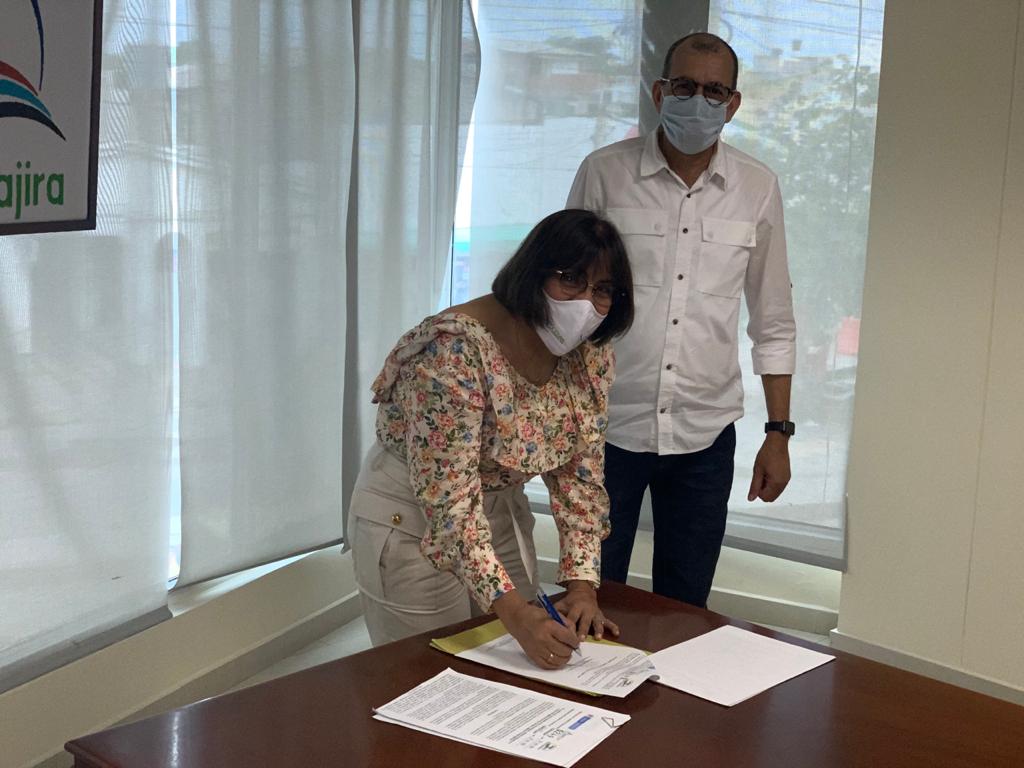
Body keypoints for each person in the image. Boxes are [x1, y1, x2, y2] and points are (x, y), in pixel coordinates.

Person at [566, 32, 796, 608]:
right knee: (591, 595)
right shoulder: (604, 173)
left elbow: (773, 320)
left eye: (714, 91)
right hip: (604, 428)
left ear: (733, 104)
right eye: (685, 86)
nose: (699, 101)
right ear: (659, 92)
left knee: (686, 608)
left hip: (704, 433)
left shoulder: (757, 187)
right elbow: (564, 297)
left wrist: (778, 434)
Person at [347, 209, 635, 668]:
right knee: (426, 674)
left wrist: (582, 586)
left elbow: (580, 478)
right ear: (534, 273)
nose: (585, 303)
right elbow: (451, 502)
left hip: (497, 506)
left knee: (515, 668)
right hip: (413, 517)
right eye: (571, 280)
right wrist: (516, 615)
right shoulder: (454, 350)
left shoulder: (589, 355)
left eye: (602, 290)